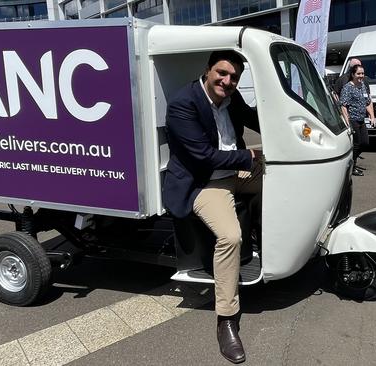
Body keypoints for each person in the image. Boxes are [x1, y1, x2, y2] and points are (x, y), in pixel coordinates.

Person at [163, 50, 262, 364]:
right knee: (230, 236)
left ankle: (273, 249)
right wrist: (249, 158)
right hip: (205, 181)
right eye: (222, 73)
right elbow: (204, 157)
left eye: (234, 77)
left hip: (235, 172)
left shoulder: (231, 99)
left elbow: (257, 119)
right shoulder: (183, 104)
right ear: (208, 71)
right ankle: (227, 319)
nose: (227, 81)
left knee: (287, 181)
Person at [340, 64, 375, 176]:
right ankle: (352, 167)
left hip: (361, 119)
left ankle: (351, 162)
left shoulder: (362, 85)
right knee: (356, 144)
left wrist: (372, 116)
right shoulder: (347, 88)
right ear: (353, 74)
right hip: (353, 120)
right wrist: (347, 120)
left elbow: (368, 102)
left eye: (362, 73)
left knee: (365, 143)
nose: (361, 76)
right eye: (358, 73)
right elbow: (343, 105)